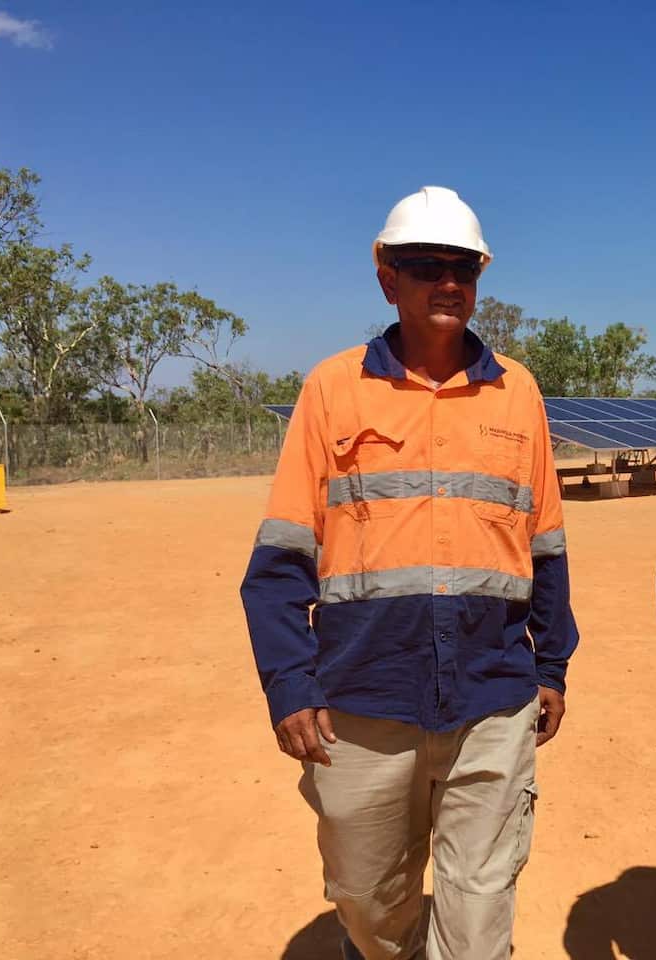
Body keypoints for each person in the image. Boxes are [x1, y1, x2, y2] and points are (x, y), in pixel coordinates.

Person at [240, 186, 578, 960]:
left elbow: (547, 548)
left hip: (492, 697)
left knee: (481, 912)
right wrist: (290, 684)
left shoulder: (517, 392)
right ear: (388, 279)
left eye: (464, 267)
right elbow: (281, 559)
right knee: (367, 903)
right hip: (363, 700)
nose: (448, 281)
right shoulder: (333, 389)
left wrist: (552, 665)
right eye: (427, 266)